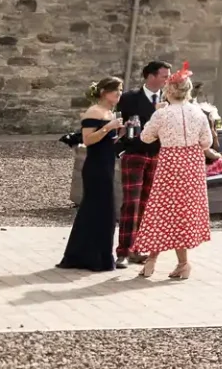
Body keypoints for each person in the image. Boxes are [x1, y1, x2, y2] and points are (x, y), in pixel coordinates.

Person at [130, 64, 214, 280]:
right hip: (192, 165)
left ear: (169, 90)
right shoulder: (199, 113)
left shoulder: (163, 114)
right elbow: (207, 142)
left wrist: (159, 121)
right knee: (183, 215)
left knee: (160, 211)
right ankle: (182, 264)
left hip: (170, 164)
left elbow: (145, 137)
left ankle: (152, 261)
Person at [58, 77, 126, 272]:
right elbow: (88, 140)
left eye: (120, 91)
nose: (119, 94)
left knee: (103, 211)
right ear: (104, 92)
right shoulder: (94, 111)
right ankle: (86, 256)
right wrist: (108, 127)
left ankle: (96, 254)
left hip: (106, 164)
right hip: (95, 166)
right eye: (116, 91)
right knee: (96, 209)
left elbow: (106, 142)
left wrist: (119, 134)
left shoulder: (109, 112)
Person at [114, 60, 168, 267]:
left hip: (158, 156)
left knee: (147, 204)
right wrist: (120, 147)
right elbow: (117, 121)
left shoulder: (169, 100)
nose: (167, 79)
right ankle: (123, 252)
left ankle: (138, 249)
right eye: (164, 75)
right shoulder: (128, 99)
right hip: (134, 154)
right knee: (131, 204)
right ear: (151, 76)